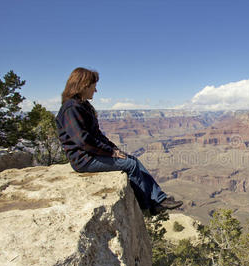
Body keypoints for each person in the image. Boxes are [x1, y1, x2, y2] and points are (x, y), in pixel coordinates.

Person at [55, 67, 182, 215]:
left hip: (91, 155)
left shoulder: (82, 106)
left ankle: (160, 199)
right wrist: (110, 152)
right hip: (84, 159)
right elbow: (83, 141)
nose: (95, 91)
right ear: (84, 85)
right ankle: (147, 207)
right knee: (130, 164)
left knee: (132, 159)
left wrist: (115, 150)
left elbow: (97, 135)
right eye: (93, 87)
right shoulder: (71, 109)